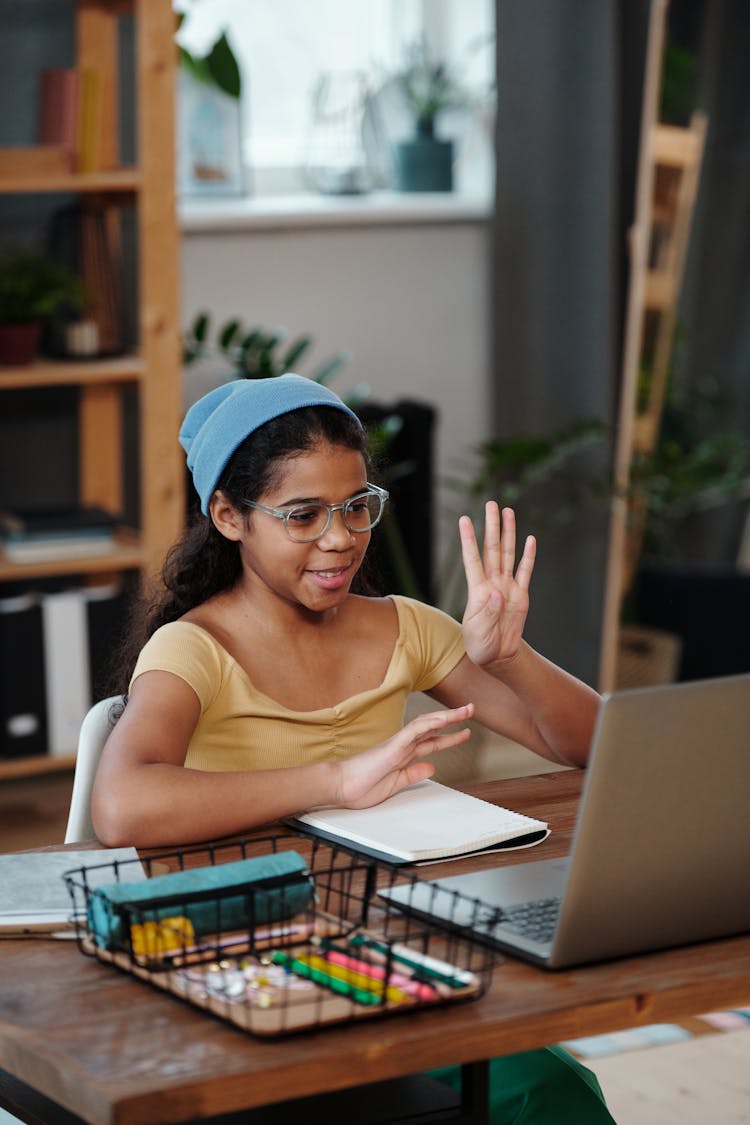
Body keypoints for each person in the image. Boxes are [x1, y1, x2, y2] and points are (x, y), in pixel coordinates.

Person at [92, 373, 615, 1123]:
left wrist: (510, 658)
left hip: (388, 942)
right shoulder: (194, 648)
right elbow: (122, 804)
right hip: (244, 959)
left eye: (356, 506)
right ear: (230, 516)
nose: (339, 537)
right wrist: (337, 778)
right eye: (303, 514)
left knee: (553, 1087)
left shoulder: (404, 627)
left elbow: (592, 744)